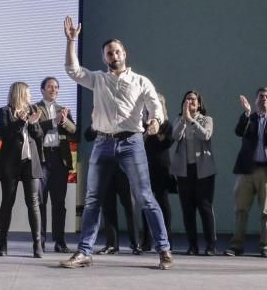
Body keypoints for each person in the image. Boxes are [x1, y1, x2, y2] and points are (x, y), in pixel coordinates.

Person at [58, 16, 173, 270]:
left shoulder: (141, 81)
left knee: (145, 197)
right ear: (104, 58)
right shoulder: (98, 79)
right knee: (92, 200)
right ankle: (84, 251)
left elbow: (156, 107)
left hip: (131, 143)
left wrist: (155, 121)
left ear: (125, 54)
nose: (114, 55)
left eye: (117, 51)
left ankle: (164, 249)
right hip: (102, 143)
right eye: (109, 53)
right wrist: (71, 42)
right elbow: (72, 71)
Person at [226, 88, 267, 258]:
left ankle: (266, 246)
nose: (264, 100)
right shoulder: (250, 118)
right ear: (255, 100)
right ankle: (236, 246)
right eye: (261, 97)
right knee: (241, 209)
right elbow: (239, 131)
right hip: (247, 170)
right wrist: (246, 113)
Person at [0, 82, 44, 258]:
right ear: (20, 94)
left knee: (33, 203)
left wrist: (33, 123)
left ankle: (37, 244)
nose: (30, 97)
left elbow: (38, 137)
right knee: (8, 202)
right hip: (10, 163)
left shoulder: (34, 109)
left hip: (30, 162)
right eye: (28, 93)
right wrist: (20, 122)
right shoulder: (4, 111)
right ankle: (3, 243)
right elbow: (4, 135)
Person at [170, 90, 217, 255]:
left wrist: (192, 121)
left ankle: (211, 245)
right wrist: (184, 120)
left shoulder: (207, 119)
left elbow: (206, 136)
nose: (190, 101)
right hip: (184, 171)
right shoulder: (178, 120)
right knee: (187, 208)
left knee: (205, 207)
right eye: (187, 99)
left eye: (193, 99)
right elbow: (175, 136)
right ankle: (192, 245)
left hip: (203, 170)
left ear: (199, 103)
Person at [33, 77, 77, 253]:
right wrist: (53, 121)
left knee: (59, 202)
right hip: (42, 159)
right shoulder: (34, 108)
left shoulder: (63, 109)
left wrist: (64, 121)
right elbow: (34, 129)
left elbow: (74, 130)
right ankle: (40, 241)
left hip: (60, 160)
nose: (54, 90)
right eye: (50, 87)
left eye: (56, 87)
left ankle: (60, 241)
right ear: (42, 90)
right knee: (40, 202)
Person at [85, 126, 139, 255]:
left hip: (124, 168)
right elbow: (87, 136)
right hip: (105, 166)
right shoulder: (101, 117)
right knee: (108, 207)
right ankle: (112, 245)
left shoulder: (124, 116)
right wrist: (94, 125)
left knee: (130, 206)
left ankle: (136, 243)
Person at [141, 94, 174, 253]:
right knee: (146, 203)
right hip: (145, 165)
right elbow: (139, 141)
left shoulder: (167, 124)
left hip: (162, 167)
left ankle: (166, 239)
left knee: (163, 201)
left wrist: (157, 128)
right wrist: (147, 130)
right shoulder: (142, 124)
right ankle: (146, 241)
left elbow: (167, 142)